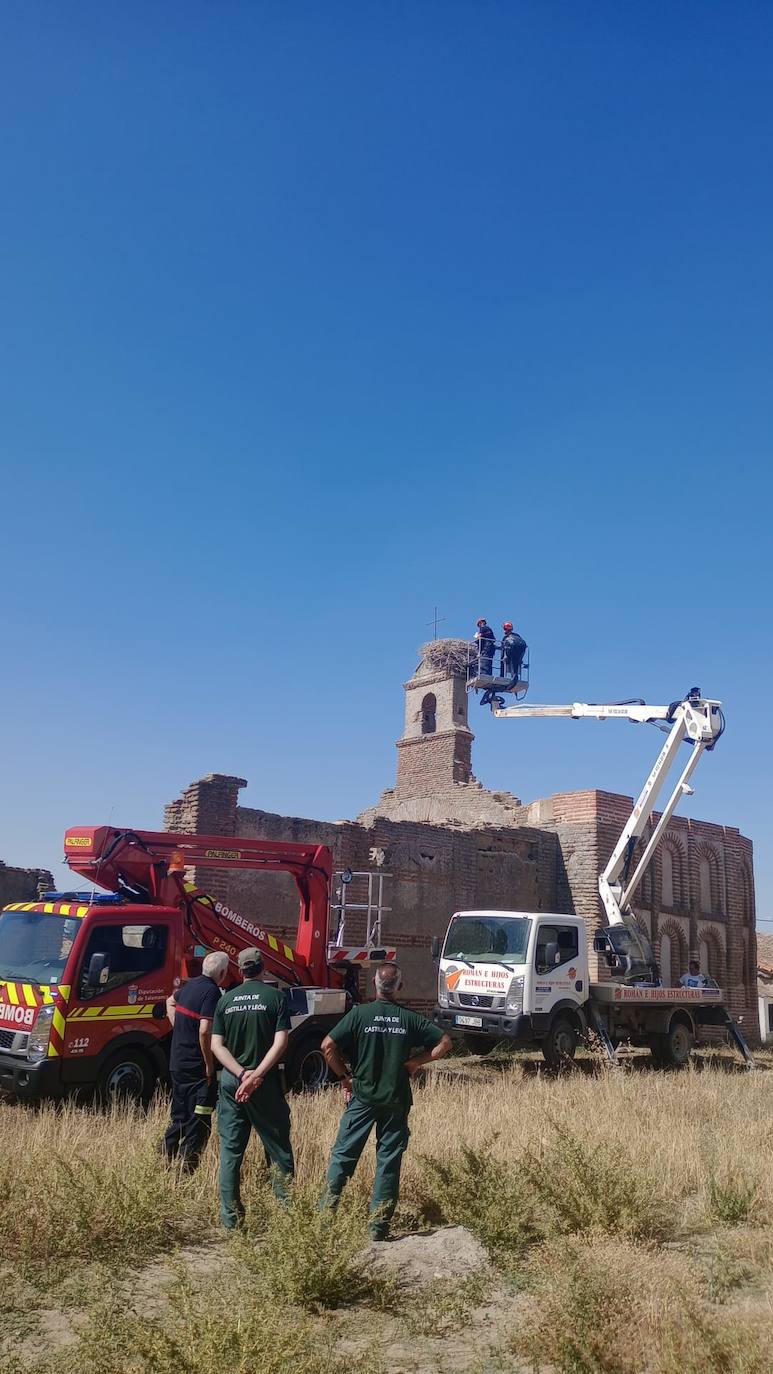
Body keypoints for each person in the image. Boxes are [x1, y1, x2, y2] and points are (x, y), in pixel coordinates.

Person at [321, 963, 452, 1241]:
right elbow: (445, 1043)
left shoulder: (359, 1015)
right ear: (399, 988)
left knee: (343, 1158)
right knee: (388, 1163)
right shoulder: (410, 1019)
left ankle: (323, 1222)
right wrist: (417, 1062)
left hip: (363, 1099)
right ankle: (378, 1229)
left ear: (374, 987)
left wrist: (344, 1077)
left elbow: (327, 1046)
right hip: (396, 1099)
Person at [211, 947, 293, 1228]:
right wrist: (256, 1076)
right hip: (264, 1083)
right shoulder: (276, 998)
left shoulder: (226, 1001)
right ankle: (286, 1217)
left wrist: (240, 1073)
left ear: (239, 968)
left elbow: (215, 1045)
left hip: (231, 1082)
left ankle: (231, 1221)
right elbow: (280, 1043)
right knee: (278, 1148)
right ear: (263, 966)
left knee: (231, 1151)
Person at [161, 949, 229, 1171]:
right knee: (199, 1120)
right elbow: (204, 1031)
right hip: (197, 1070)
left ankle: (164, 1157)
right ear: (222, 972)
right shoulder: (212, 993)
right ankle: (186, 1169)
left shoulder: (189, 986)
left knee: (179, 1116)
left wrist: (179, 1029)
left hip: (177, 1063)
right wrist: (209, 1065)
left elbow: (170, 1001)